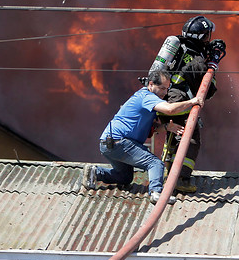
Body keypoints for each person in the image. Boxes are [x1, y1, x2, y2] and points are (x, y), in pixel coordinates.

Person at [85, 70, 203, 205]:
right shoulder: (147, 96)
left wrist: (166, 128)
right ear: (151, 84)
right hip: (119, 141)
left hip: (108, 143)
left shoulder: (146, 99)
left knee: (125, 177)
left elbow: (149, 129)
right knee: (155, 163)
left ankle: (95, 172)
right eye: (162, 88)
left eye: (167, 88)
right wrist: (192, 101)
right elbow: (170, 109)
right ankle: (156, 193)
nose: (165, 92)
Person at [148, 15, 226, 193]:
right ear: (201, 37)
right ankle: (181, 179)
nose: (209, 38)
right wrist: (212, 64)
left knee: (174, 135)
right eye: (207, 36)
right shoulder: (196, 59)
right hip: (177, 102)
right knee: (190, 139)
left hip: (162, 101)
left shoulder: (180, 49)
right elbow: (209, 89)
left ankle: (168, 172)